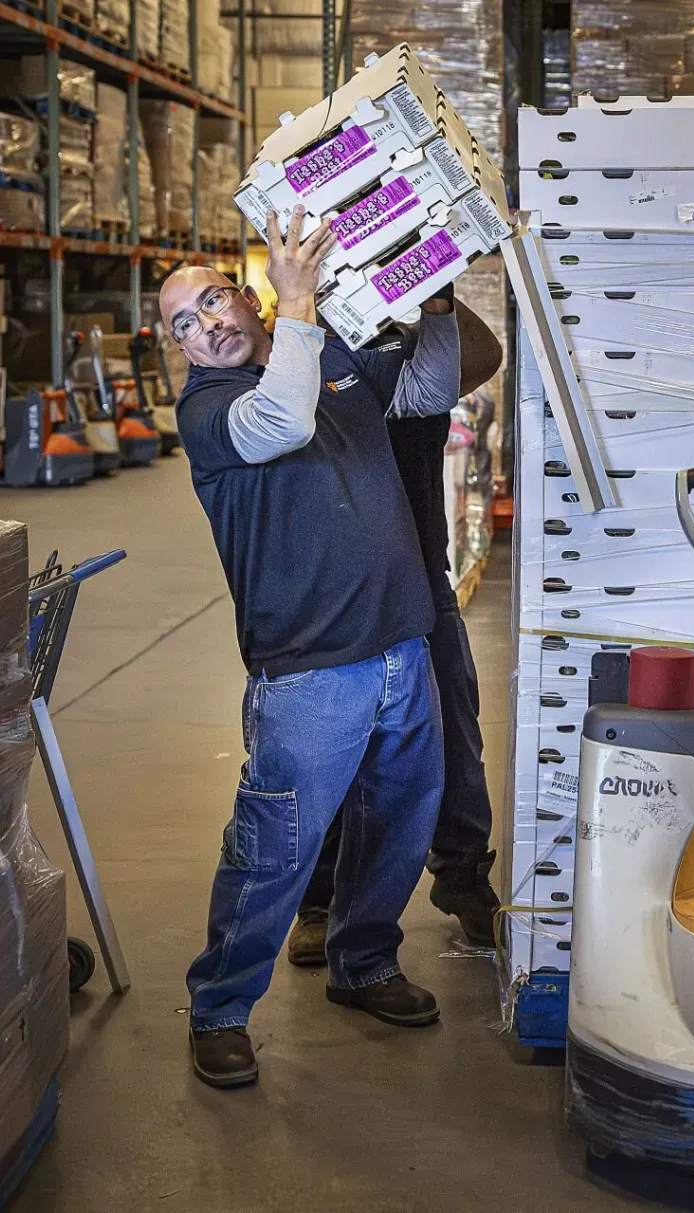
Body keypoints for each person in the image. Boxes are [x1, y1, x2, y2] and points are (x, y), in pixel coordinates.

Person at [164, 207, 502, 1089]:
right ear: (184, 350)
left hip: (401, 645)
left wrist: (433, 304)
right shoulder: (210, 410)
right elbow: (281, 420)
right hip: (312, 670)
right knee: (274, 844)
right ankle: (222, 1007)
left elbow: (428, 390)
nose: (208, 324)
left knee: (397, 823)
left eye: (215, 301)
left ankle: (364, 962)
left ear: (245, 297)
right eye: (186, 324)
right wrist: (300, 299)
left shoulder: (326, 359)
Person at [285, 339, 502, 965]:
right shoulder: (303, 358)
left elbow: (480, 355)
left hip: (423, 581)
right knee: (335, 746)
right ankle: (321, 900)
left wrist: (427, 267)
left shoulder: (415, 362)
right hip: (336, 590)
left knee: (455, 734)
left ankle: (462, 875)